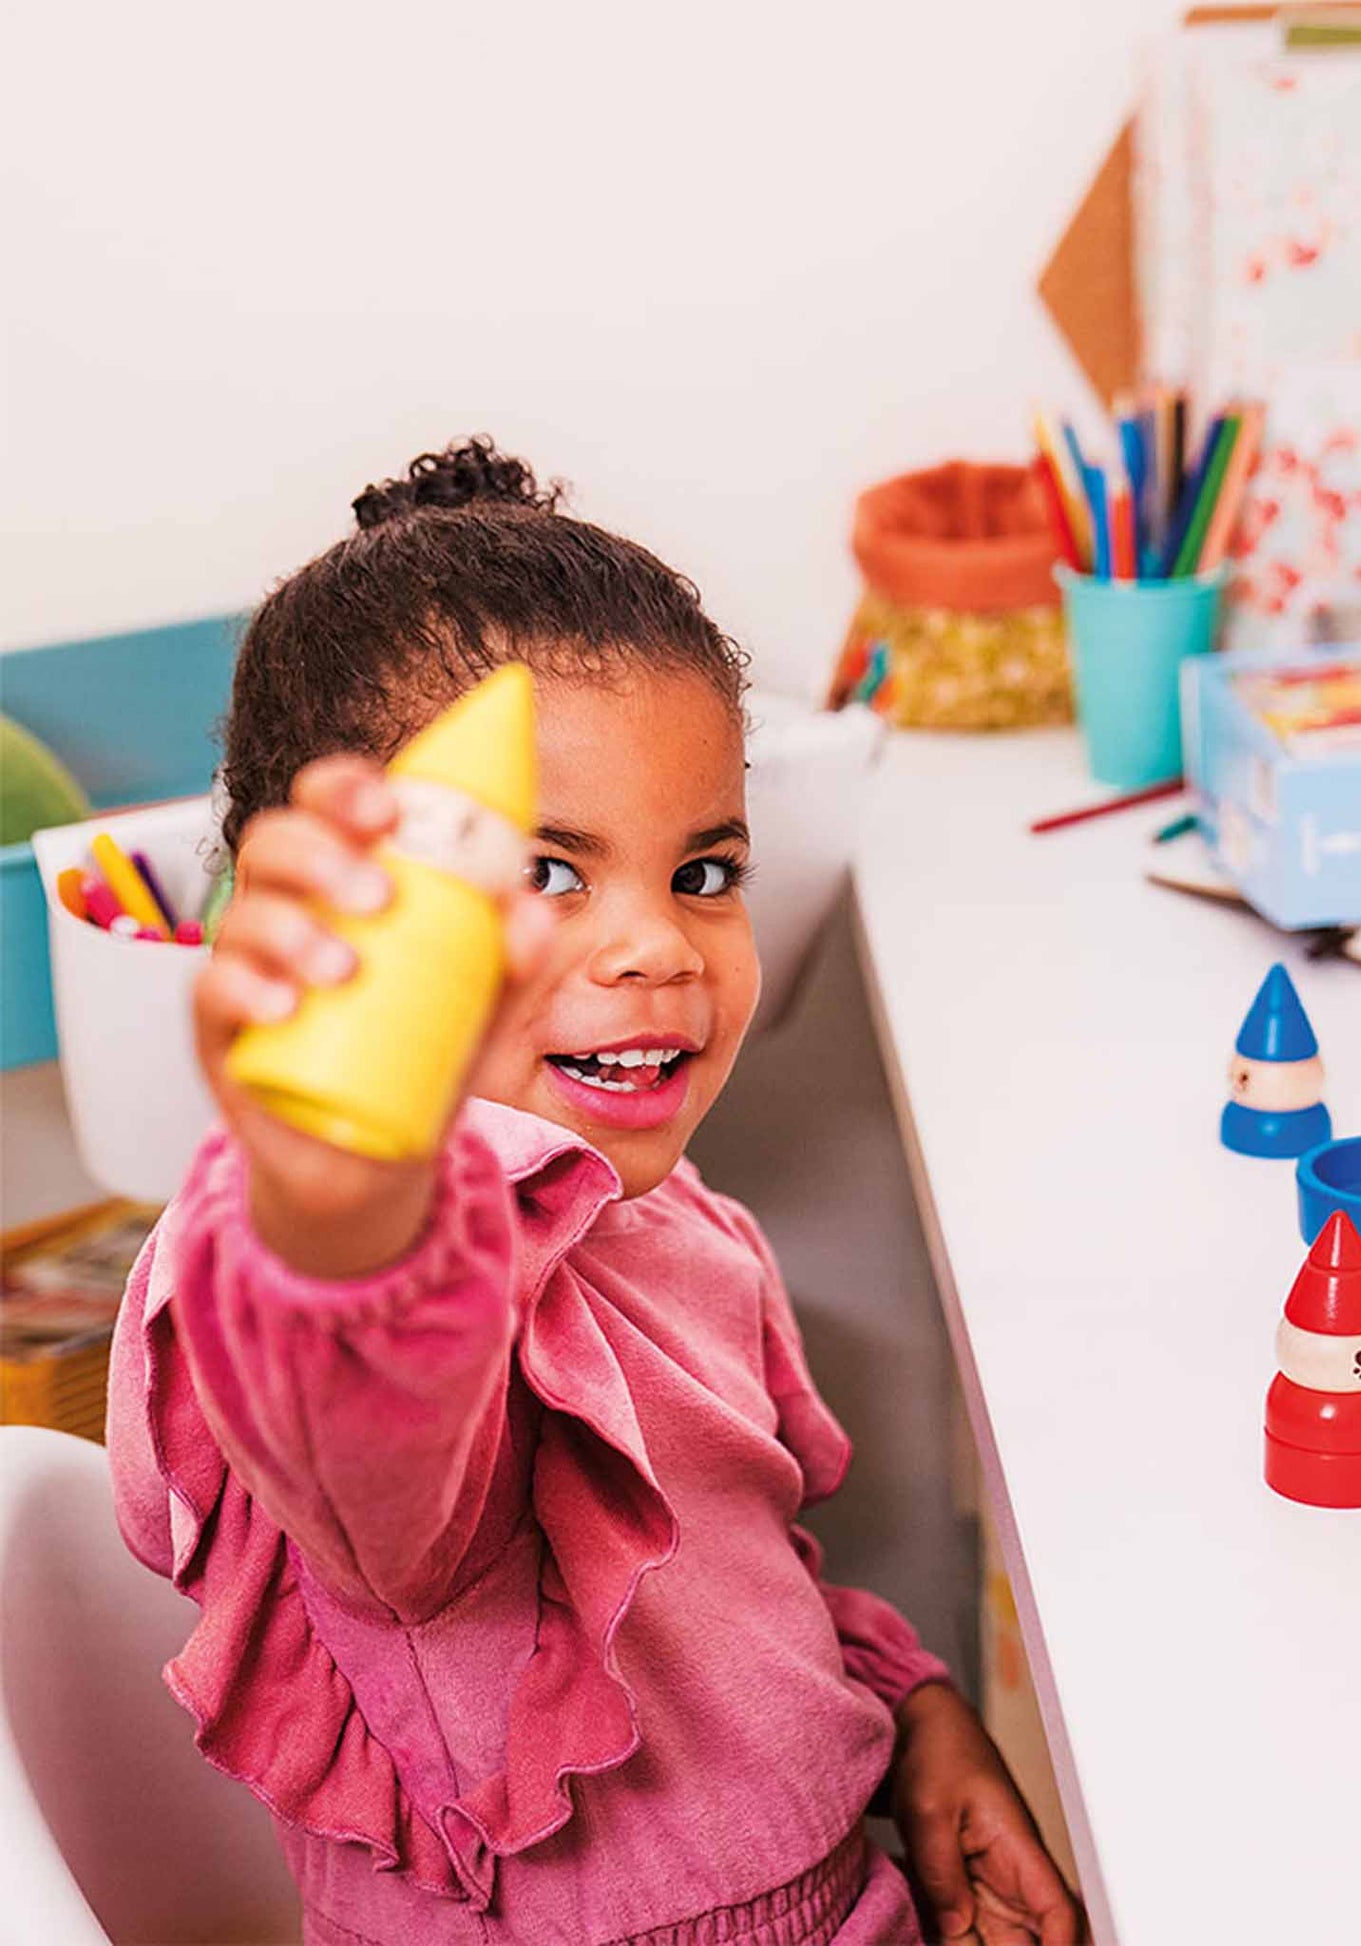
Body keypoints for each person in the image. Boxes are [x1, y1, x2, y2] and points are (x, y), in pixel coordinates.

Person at [108, 439, 1082, 1946]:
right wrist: (337, 1194)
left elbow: (742, 1570)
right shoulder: (354, 1276)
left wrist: (917, 1710)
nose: (658, 947)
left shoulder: (678, 1221)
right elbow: (375, 1466)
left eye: (703, 870)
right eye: (550, 873)